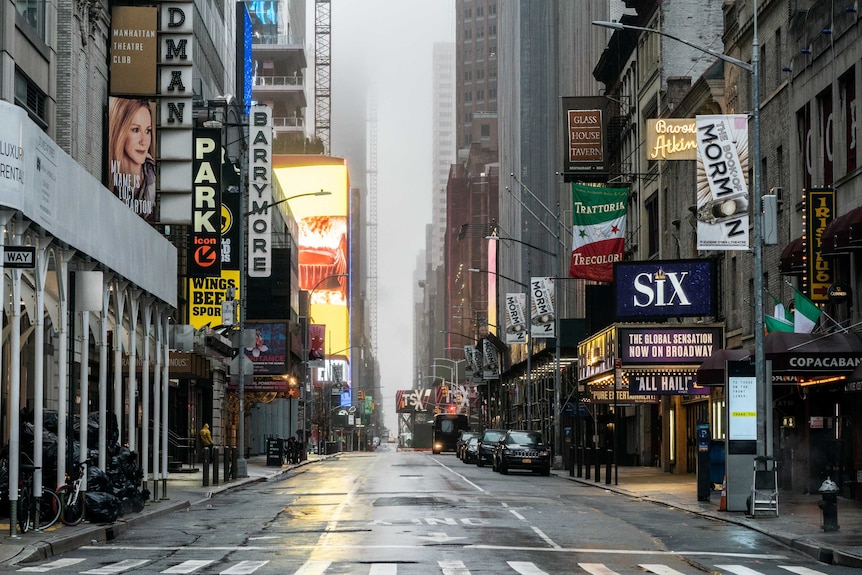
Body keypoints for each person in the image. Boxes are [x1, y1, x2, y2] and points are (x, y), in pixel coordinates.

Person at [108, 97, 157, 221]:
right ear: (119, 131)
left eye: (148, 131)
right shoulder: (111, 177)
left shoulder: (153, 174)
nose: (144, 141)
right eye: (136, 130)